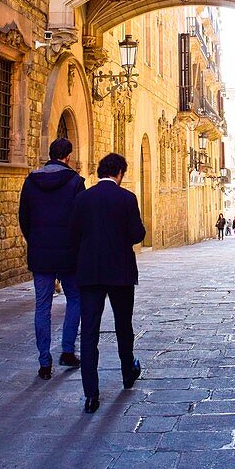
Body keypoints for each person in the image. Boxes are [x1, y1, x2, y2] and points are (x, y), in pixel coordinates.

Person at [70, 152, 146, 414]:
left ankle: (91, 395)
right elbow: (137, 234)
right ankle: (127, 372)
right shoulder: (127, 198)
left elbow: (74, 235)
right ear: (120, 173)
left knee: (89, 333)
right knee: (123, 326)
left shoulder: (82, 198)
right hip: (121, 273)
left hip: (89, 273)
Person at [18, 136, 85, 380]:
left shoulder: (30, 182)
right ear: (68, 156)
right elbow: (81, 219)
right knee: (75, 298)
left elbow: (23, 217)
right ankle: (67, 350)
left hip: (41, 253)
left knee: (42, 306)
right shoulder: (76, 182)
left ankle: (44, 362)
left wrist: (34, 240)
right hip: (69, 254)